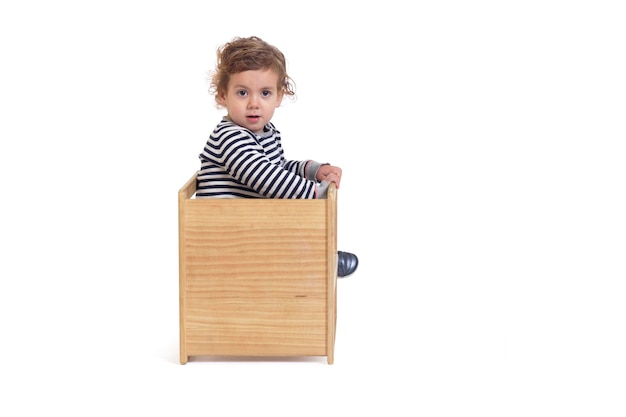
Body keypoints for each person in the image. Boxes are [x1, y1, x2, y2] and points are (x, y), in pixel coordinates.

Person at [196, 36, 358, 277]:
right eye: (242, 93)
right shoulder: (230, 136)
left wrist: (311, 170)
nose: (254, 103)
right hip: (226, 232)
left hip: (248, 224)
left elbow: (277, 167)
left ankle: (315, 254)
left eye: (264, 93)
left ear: (279, 96)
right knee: (290, 219)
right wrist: (314, 192)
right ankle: (315, 260)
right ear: (222, 96)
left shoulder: (265, 132)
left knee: (287, 219)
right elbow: (265, 178)